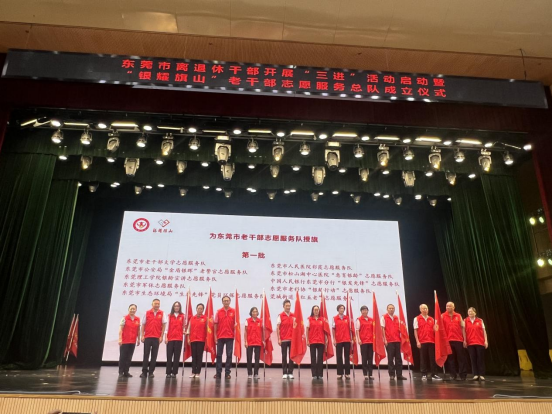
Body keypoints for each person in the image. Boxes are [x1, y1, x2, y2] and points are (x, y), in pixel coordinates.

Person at [414, 304, 441, 381]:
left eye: (426, 308)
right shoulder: (417, 318)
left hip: (431, 341)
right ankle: (424, 374)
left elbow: (435, 330)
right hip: (422, 341)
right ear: (420, 310)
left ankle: (434, 374)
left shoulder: (431, 319)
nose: (425, 310)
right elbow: (415, 330)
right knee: (423, 359)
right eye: (423, 308)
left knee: (432, 358)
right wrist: (417, 341)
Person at [140, 299, 166, 379]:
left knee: (154, 355)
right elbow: (143, 324)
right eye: (155, 303)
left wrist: (161, 336)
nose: (157, 305)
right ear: (152, 304)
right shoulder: (147, 313)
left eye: (158, 304)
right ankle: (144, 372)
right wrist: (142, 335)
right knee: (146, 355)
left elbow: (164, 325)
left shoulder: (162, 313)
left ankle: (151, 372)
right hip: (147, 337)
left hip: (156, 338)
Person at [381, 304, 407, 381]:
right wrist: (384, 339)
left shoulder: (397, 317)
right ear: (387, 309)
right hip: (389, 341)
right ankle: (392, 374)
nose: (391, 309)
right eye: (390, 308)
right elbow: (382, 329)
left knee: (398, 358)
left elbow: (400, 328)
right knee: (390, 358)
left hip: (397, 340)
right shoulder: (384, 317)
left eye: (392, 308)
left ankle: (399, 375)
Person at [442, 302, 468, 381]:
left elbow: (463, 328)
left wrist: (464, 340)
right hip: (448, 340)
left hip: (458, 339)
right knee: (451, 359)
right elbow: (440, 329)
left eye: (450, 306)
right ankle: (453, 375)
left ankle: (462, 375)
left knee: (461, 358)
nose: (448, 307)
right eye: (447, 306)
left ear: (453, 307)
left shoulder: (458, 316)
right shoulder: (442, 316)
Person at [214, 296, 236, 380]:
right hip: (220, 336)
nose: (226, 302)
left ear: (230, 301)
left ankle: (227, 373)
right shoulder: (218, 312)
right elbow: (215, 324)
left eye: (227, 300)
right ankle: (218, 373)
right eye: (224, 301)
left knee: (229, 355)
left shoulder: (234, 311)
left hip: (230, 336)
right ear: (222, 302)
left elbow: (236, 324)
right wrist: (215, 336)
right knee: (219, 355)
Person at [465, 307, 489, 381]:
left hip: (480, 342)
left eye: (471, 311)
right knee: (473, 359)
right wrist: (465, 340)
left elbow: (484, 331)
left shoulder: (480, 320)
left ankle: (481, 374)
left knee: (480, 359)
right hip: (470, 342)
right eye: (469, 311)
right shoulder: (465, 320)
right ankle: (475, 374)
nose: (470, 313)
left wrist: (486, 341)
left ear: (475, 313)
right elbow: (464, 331)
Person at [118, 304, 141, 378]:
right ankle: (121, 372)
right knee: (123, 357)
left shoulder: (137, 319)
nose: (132, 310)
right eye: (131, 309)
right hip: (125, 341)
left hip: (132, 341)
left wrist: (138, 339)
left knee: (129, 357)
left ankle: (126, 371)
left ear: (136, 310)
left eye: (134, 309)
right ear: (128, 309)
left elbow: (138, 330)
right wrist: (120, 338)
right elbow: (121, 329)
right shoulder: (124, 318)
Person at [306, 305, 327, 380]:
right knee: (313, 358)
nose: (316, 311)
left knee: (320, 358)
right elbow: (307, 330)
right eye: (315, 310)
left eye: (317, 310)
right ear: (312, 311)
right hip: (312, 341)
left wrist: (326, 339)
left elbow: (325, 330)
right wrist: (307, 340)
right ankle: (314, 374)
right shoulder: (309, 319)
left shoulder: (322, 319)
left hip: (321, 341)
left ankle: (320, 374)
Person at [165, 301, 185, 378]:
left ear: (180, 307)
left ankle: (174, 372)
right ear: (173, 307)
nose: (176, 307)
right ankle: (168, 372)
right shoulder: (169, 316)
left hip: (179, 339)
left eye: (178, 306)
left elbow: (184, 326)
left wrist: (184, 330)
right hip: (170, 338)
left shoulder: (182, 316)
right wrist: (166, 337)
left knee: (177, 356)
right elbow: (166, 328)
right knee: (169, 356)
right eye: (175, 306)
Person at [187, 303, 207, 378]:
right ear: (196, 309)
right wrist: (188, 338)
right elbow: (189, 329)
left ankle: (198, 372)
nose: (200, 310)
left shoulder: (205, 318)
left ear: (203, 310)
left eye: (201, 309)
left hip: (201, 340)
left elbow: (208, 330)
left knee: (199, 356)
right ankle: (193, 372)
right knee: (194, 356)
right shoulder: (192, 318)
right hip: (193, 339)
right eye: (198, 308)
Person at [333, 304, 352, 380]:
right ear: (338, 309)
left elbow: (350, 328)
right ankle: (339, 373)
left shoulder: (347, 318)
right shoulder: (335, 318)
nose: (342, 310)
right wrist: (334, 339)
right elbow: (333, 329)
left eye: (343, 308)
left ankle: (347, 373)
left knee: (347, 357)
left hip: (347, 339)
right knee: (339, 357)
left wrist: (351, 338)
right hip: (339, 340)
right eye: (340, 308)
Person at [277, 299, 295, 380]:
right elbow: (278, 328)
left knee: (291, 357)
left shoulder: (293, 315)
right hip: (283, 339)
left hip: (292, 339)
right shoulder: (280, 316)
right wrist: (279, 338)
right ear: (283, 306)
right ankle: (284, 372)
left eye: (289, 306)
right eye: (286, 306)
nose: (288, 307)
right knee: (284, 356)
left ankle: (290, 372)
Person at [356, 306, 374, 381]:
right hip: (363, 342)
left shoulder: (371, 319)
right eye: (363, 310)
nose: (364, 311)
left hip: (371, 341)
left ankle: (370, 374)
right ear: (361, 311)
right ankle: (365, 374)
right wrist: (359, 339)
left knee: (370, 358)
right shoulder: (359, 319)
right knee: (364, 358)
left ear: (367, 311)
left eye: (366, 310)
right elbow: (357, 330)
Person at [245, 307, 262, 380]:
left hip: (258, 342)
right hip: (250, 342)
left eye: (256, 311)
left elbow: (262, 331)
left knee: (257, 359)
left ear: (257, 313)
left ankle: (256, 373)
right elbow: (245, 332)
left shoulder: (260, 321)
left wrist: (263, 340)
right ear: (251, 313)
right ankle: (249, 373)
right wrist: (245, 341)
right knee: (249, 358)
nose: (255, 313)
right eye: (253, 312)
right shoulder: (247, 321)